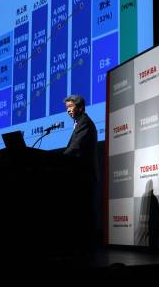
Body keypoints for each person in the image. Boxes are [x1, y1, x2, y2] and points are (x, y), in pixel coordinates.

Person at [63, 94, 98, 253]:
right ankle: (81, 247)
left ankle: (86, 248)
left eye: (71, 107)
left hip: (83, 176)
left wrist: (60, 159)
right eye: (67, 108)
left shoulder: (85, 123)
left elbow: (76, 147)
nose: (68, 110)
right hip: (78, 175)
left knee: (84, 212)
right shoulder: (79, 123)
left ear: (81, 107)